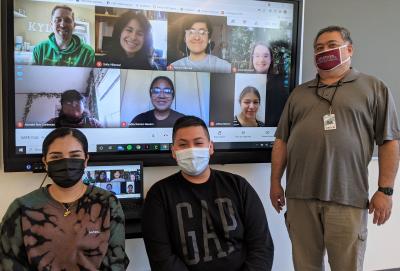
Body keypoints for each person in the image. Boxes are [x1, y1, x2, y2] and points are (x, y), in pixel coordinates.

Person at [270, 26, 400, 271]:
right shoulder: (299, 93)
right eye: (319, 48)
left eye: (331, 45)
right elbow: (281, 141)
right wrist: (275, 181)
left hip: (347, 197)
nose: (324, 51)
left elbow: (390, 141)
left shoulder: (374, 88)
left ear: (349, 49)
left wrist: (386, 190)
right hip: (299, 198)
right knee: (305, 266)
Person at [142, 116, 274, 271]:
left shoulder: (239, 186)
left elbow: (261, 247)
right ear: (173, 152)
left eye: (198, 143)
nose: (191, 150)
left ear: (210, 147)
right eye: (183, 145)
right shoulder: (158, 196)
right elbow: (162, 260)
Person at [0, 127, 129, 270]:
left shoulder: (108, 203)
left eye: (74, 156)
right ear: (45, 162)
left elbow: (116, 261)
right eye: (56, 157)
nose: (66, 164)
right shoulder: (21, 208)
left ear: (86, 160)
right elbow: (9, 264)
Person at [250, 42, 288, 126]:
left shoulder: (280, 86)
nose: (261, 60)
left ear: (271, 59)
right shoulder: (244, 82)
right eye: (257, 56)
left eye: (266, 56)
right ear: (252, 58)